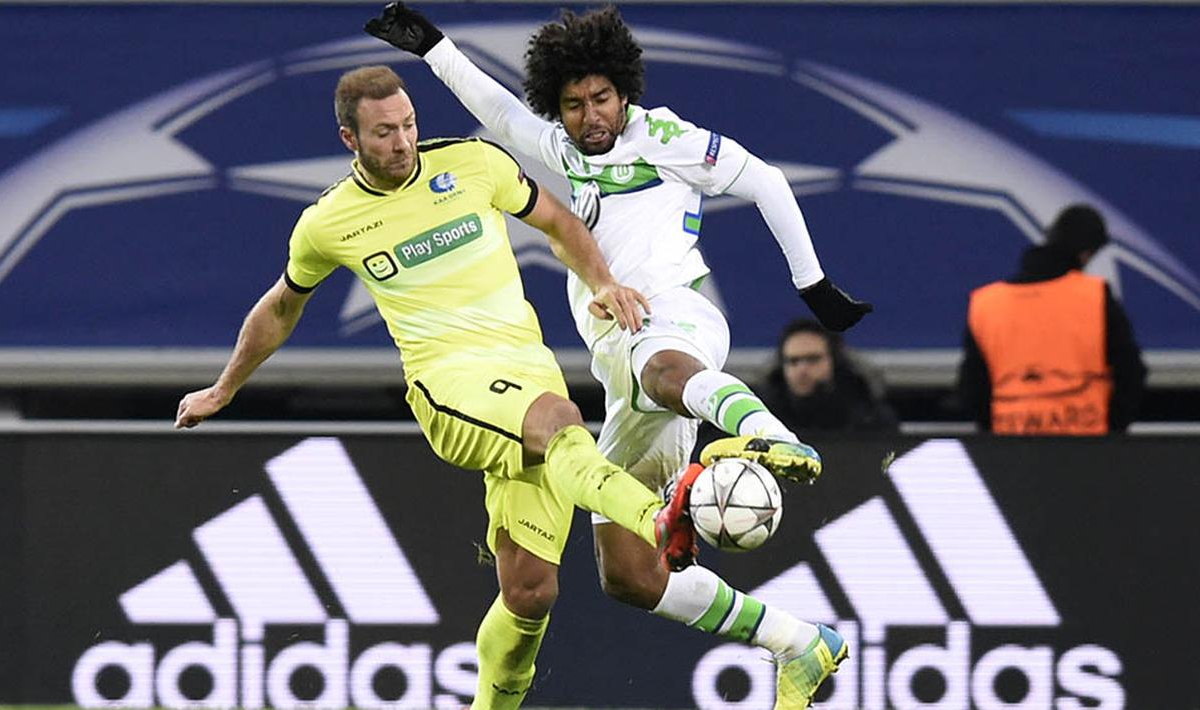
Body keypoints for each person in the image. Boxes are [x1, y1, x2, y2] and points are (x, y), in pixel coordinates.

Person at [367, 6, 861, 707]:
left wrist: (810, 283)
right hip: (623, 372)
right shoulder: (566, 151)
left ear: (624, 92)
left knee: (663, 371)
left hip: (678, 321)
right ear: (559, 106)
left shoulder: (664, 136)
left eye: (601, 98)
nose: (590, 114)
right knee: (628, 574)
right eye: (573, 103)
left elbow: (767, 182)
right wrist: (434, 47)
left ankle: (774, 439)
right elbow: (498, 111)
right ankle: (798, 642)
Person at [174, 65, 702, 710]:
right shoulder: (329, 223)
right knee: (562, 421)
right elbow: (282, 305)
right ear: (351, 140)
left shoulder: (475, 163)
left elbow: (560, 220)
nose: (401, 142)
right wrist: (224, 389)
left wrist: (603, 283)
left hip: (526, 370)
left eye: (408, 125)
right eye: (383, 134)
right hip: (449, 385)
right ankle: (656, 517)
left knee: (531, 593)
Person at [958, 203, 1147, 435]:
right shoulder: (1095, 297)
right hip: (1088, 451)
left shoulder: (987, 303)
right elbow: (1131, 372)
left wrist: (998, 436)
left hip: (1012, 451)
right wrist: (1112, 432)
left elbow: (973, 387)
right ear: (1086, 253)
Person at [761, 319, 899, 433]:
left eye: (813, 359)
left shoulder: (870, 415)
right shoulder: (762, 417)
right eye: (793, 361)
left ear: (835, 360)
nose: (802, 369)